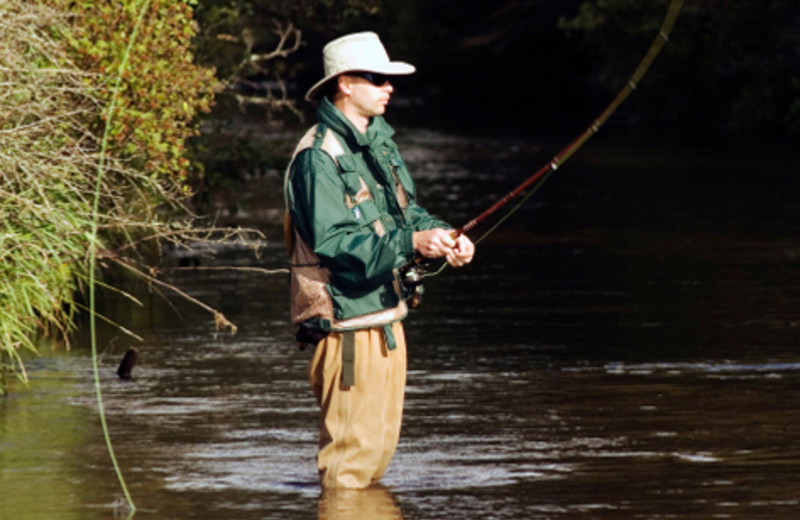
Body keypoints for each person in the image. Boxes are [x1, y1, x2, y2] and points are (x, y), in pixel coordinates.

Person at [284, 31, 475, 489]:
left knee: (374, 463)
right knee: (349, 471)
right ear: (345, 83)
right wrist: (413, 242)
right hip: (348, 329)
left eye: (390, 79)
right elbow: (336, 245)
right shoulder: (317, 158)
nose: (389, 88)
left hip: (388, 319)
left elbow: (408, 214)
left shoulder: (379, 144)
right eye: (377, 78)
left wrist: (445, 235)